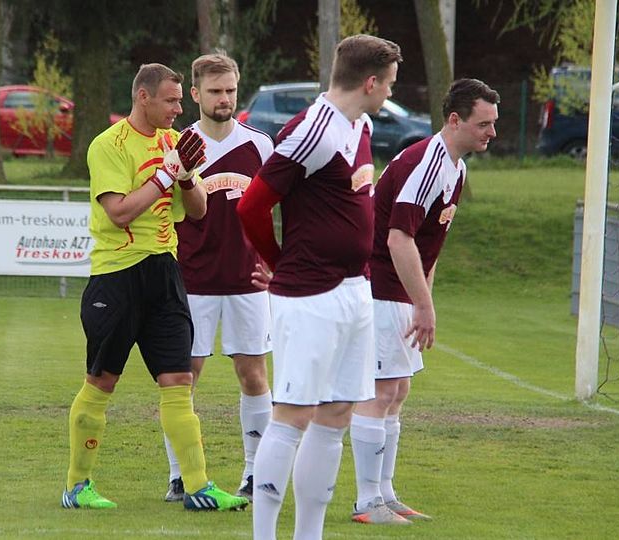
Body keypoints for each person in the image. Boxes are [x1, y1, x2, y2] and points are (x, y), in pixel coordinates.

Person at [61, 62, 249, 513]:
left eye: (180, 100)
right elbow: (119, 213)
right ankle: (77, 486)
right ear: (142, 97)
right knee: (102, 382)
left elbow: (199, 211)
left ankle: (198, 487)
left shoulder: (172, 143)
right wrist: (165, 175)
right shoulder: (108, 145)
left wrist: (184, 176)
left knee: (179, 381)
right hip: (117, 277)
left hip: (165, 273)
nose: (178, 109)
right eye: (170, 100)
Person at [236, 34, 403, 539]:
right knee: (293, 415)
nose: (390, 92)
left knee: (336, 413)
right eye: (389, 83)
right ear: (370, 82)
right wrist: (280, 263)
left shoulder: (362, 125)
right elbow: (251, 206)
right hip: (310, 296)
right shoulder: (313, 129)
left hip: (356, 291)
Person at [349, 78, 500, 524]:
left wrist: (422, 299)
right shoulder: (427, 162)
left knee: (398, 389)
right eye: (484, 124)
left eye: (493, 123)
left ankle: (385, 493)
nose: (492, 132)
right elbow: (398, 238)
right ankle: (366, 502)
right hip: (379, 286)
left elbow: (427, 247)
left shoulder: (457, 168)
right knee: (380, 391)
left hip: (400, 291)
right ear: (454, 120)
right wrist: (425, 305)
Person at [162, 53, 275, 504]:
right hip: (192, 280)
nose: (224, 98)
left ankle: (255, 473)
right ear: (195, 94)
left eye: (230, 90)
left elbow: (280, 206)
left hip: (249, 280)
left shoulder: (261, 146)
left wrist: (277, 259)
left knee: (253, 374)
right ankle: (180, 476)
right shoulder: (179, 145)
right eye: (214, 91)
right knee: (183, 377)